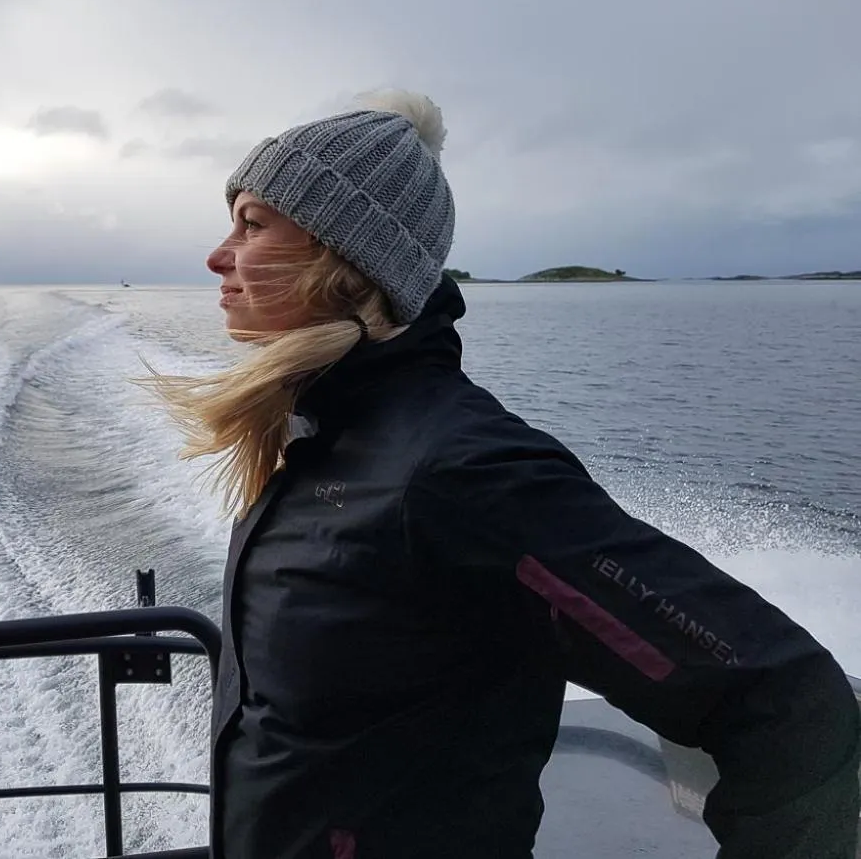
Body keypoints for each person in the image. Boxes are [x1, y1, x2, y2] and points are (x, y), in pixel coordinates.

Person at [145, 91, 860, 858]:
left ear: (341, 260)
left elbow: (784, 700)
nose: (218, 255)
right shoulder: (323, 438)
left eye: (251, 224)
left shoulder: (455, 472)